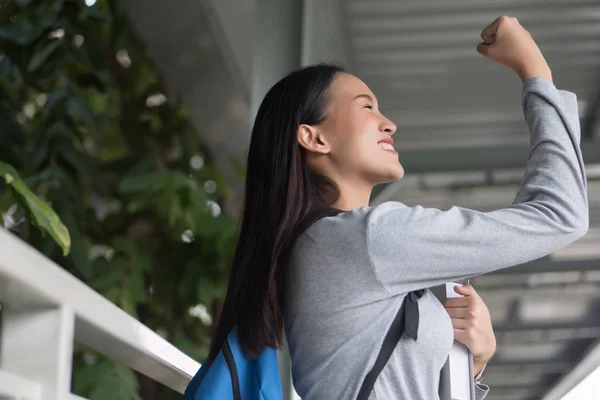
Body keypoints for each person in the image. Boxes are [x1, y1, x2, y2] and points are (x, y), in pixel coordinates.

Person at [207, 16, 588, 399]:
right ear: (313, 137)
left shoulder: (331, 243)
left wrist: (470, 366)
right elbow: (559, 216)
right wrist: (535, 70)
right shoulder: (362, 238)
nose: (388, 124)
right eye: (367, 107)